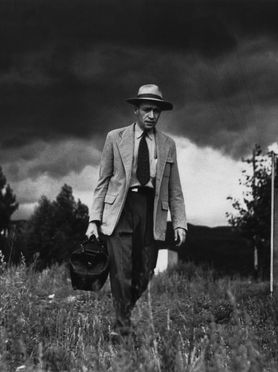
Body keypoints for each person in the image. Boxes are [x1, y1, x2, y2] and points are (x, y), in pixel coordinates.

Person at [86, 84, 187, 336]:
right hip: (120, 210)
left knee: (145, 271)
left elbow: (174, 187)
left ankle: (124, 313)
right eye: (147, 110)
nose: (152, 115)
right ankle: (122, 328)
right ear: (136, 110)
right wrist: (93, 220)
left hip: (152, 210)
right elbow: (103, 181)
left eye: (156, 111)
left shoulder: (168, 145)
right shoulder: (114, 138)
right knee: (121, 270)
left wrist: (179, 222)